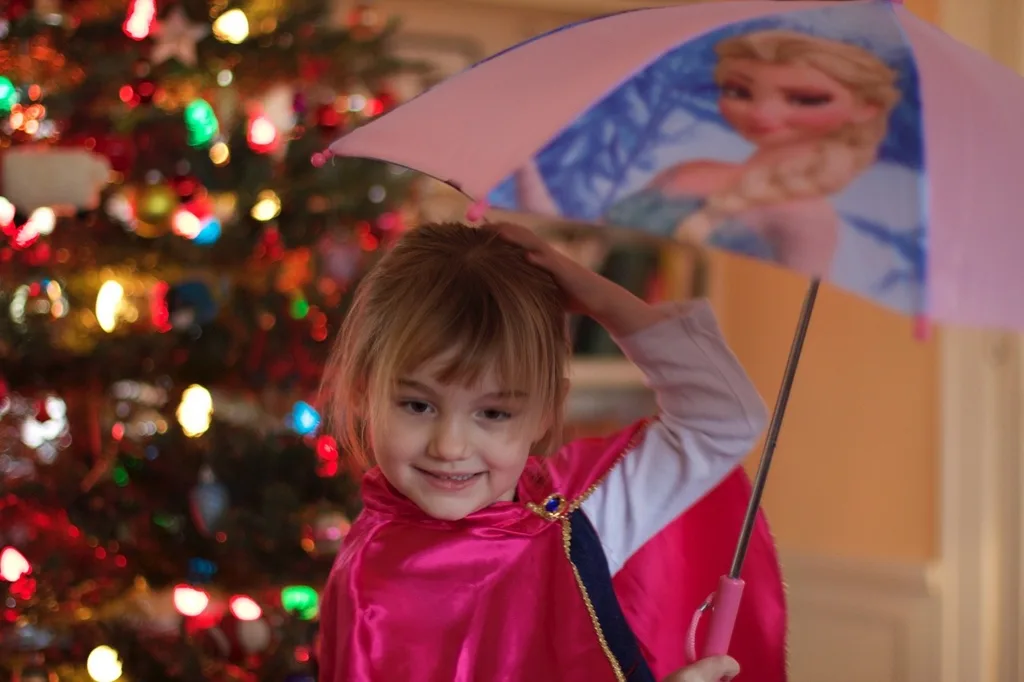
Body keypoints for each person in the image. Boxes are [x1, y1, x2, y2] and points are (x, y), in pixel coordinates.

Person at [317, 221, 785, 681]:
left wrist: (596, 297)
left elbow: (723, 419)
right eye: (418, 405)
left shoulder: (582, 517)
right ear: (363, 393)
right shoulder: (364, 573)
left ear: (546, 411)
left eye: (493, 413)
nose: (449, 446)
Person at [521, 29, 901, 276]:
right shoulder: (689, 171)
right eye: (740, 91)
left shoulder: (807, 215)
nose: (763, 113)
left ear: (865, 108)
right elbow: (596, 244)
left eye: (805, 99)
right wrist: (524, 168)